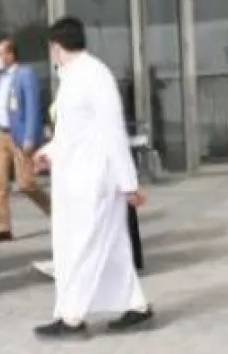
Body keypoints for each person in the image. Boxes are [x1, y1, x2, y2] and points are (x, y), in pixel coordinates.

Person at [32, 17, 153, 340]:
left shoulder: (94, 75)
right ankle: (136, 306)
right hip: (77, 178)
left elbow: (113, 132)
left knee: (82, 247)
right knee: (111, 247)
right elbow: (73, 132)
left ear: (56, 47)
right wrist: (51, 151)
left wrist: (129, 183)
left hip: (95, 181)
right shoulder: (72, 77)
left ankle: (71, 318)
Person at [0, 38, 51, 244]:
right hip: (0, 134)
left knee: (25, 183)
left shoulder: (25, 74)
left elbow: (32, 106)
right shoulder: (0, 77)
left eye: (0, 53)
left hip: (19, 134)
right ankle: (3, 227)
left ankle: (56, 212)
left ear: (11, 55)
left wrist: (31, 135)